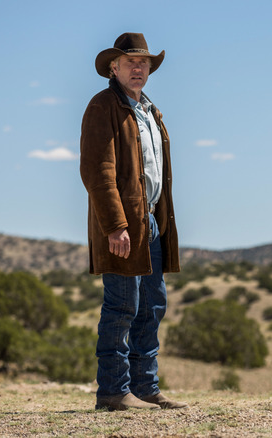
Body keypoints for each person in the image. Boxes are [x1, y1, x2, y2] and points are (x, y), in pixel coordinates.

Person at [80, 33, 187, 411]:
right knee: (123, 306)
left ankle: (144, 388)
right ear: (114, 67)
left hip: (152, 223)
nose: (138, 68)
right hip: (125, 225)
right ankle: (113, 391)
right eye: (130, 62)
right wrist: (115, 225)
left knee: (152, 307)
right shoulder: (103, 105)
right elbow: (97, 170)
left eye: (143, 63)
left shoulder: (149, 110)